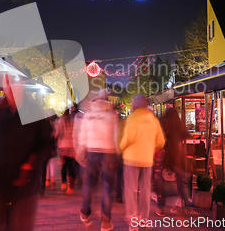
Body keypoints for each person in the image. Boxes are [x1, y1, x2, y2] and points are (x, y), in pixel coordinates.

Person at [0, 74, 54, 231]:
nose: (11, 88)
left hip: (25, 184)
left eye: (16, 83)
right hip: (0, 182)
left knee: (21, 226)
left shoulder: (34, 112)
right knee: (0, 226)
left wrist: (32, 163)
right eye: (8, 83)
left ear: (23, 86)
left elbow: (47, 144)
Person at [120, 95, 165, 230]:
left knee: (130, 189)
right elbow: (161, 141)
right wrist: (152, 147)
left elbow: (128, 137)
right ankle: (144, 218)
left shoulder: (132, 118)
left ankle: (133, 219)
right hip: (147, 159)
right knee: (145, 189)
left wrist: (121, 147)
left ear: (134, 105)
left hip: (131, 158)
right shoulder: (153, 119)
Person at [77, 94, 119, 231]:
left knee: (89, 183)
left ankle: (85, 212)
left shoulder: (88, 115)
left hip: (91, 151)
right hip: (108, 151)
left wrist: (81, 151)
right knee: (107, 186)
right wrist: (117, 152)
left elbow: (83, 135)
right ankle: (106, 221)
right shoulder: (112, 114)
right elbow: (116, 135)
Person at [155, 107, 191, 217]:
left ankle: (161, 207)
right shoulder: (178, 122)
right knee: (180, 180)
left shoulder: (162, 121)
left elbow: (157, 136)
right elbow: (187, 134)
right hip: (176, 154)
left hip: (164, 154)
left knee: (160, 180)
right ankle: (185, 203)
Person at [55, 109, 76, 194]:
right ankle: (70, 187)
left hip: (63, 145)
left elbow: (58, 133)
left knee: (64, 165)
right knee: (71, 166)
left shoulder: (61, 120)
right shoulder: (73, 120)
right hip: (71, 146)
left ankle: (63, 183)